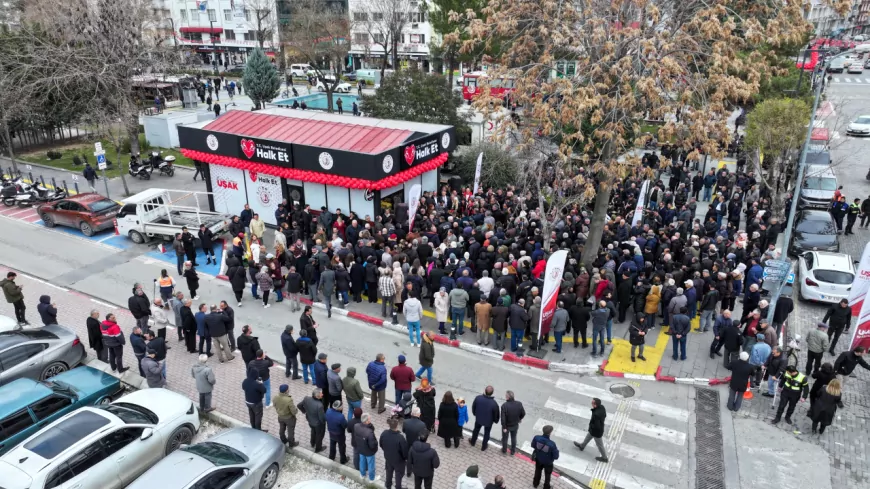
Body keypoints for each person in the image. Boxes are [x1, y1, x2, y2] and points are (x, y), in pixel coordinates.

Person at [573, 397, 608, 462]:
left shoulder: (596, 414)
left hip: (596, 432)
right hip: (595, 430)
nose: (591, 403)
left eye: (592, 402)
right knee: (588, 436)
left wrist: (591, 426)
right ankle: (582, 446)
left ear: (595, 405)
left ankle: (604, 458)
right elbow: (605, 415)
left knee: (600, 445)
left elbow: (596, 425)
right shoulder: (602, 407)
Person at [380, 417, 408, 489]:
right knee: (398, 475)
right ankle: (398, 487)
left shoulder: (384, 433)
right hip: (398, 461)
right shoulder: (400, 438)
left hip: (388, 458)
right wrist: (405, 458)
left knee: (389, 472)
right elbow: (404, 452)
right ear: (397, 426)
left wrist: (386, 451)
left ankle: (388, 485)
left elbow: (381, 444)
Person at [531, 425, 560, 489]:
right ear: (550, 433)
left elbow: (533, 445)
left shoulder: (536, 438)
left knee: (537, 471)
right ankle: (546, 487)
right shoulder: (552, 444)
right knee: (547, 475)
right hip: (548, 462)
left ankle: (535, 483)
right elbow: (556, 456)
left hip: (538, 459)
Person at [299, 388, 326, 452]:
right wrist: (324, 423)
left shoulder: (306, 398)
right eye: (321, 393)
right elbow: (321, 418)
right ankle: (318, 448)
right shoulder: (319, 405)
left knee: (313, 431)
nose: (322, 394)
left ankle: (312, 443)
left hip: (310, 420)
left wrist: (305, 411)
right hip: (318, 424)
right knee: (319, 435)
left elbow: (299, 405)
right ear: (317, 396)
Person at [500, 390, 525, 455]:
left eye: (506, 396)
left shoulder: (504, 406)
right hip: (515, 425)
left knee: (505, 438)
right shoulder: (519, 404)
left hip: (507, 426)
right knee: (513, 438)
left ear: (507, 397)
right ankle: (512, 451)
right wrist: (519, 419)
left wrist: (504, 427)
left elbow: (503, 419)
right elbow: (523, 413)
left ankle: (504, 450)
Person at [274, 384, 299, 451]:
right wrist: (296, 410)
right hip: (289, 418)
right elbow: (294, 411)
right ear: (286, 391)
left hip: (280, 417)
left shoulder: (275, 397)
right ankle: (291, 444)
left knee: (282, 429)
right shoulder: (289, 400)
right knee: (290, 431)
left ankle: (283, 440)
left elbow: (275, 405)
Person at [354, 412, 379, 481]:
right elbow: (372, 445)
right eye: (369, 419)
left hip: (360, 448)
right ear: (366, 421)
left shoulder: (356, 426)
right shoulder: (369, 433)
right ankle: (372, 478)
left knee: (362, 462)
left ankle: (362, 475)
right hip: (369, 452)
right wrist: (376, 443)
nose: (370, 420)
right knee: (371, 465)